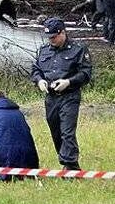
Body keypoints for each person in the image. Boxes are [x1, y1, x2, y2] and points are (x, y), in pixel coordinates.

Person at [31, 17, 93, 170]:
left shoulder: (78, 49)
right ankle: (68, 162)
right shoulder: (43, 50)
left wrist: (68, 82)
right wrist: (39, 81)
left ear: (63, 33)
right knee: (56, 131)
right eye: (49, 37)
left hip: (69, 96)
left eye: (54, 36)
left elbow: (86, 73)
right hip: (51, 97)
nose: (51, 40)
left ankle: (70, 166)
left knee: (67, 132)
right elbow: (35, 69)